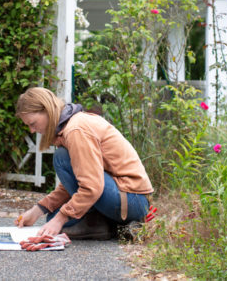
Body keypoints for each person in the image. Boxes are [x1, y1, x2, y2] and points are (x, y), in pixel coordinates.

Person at [14, 87, 153, 240]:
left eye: (32, 123)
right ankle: (111, 225)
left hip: (132, 199)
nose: (32, 130)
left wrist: (61, 218)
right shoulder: (69, 126)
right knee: (51, 219)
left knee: (61, 160)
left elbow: (91, 186)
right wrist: (37, 211)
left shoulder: (76, 130)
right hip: (123, 196)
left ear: (47, 110)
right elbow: (78, 181)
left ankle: (102, 222)